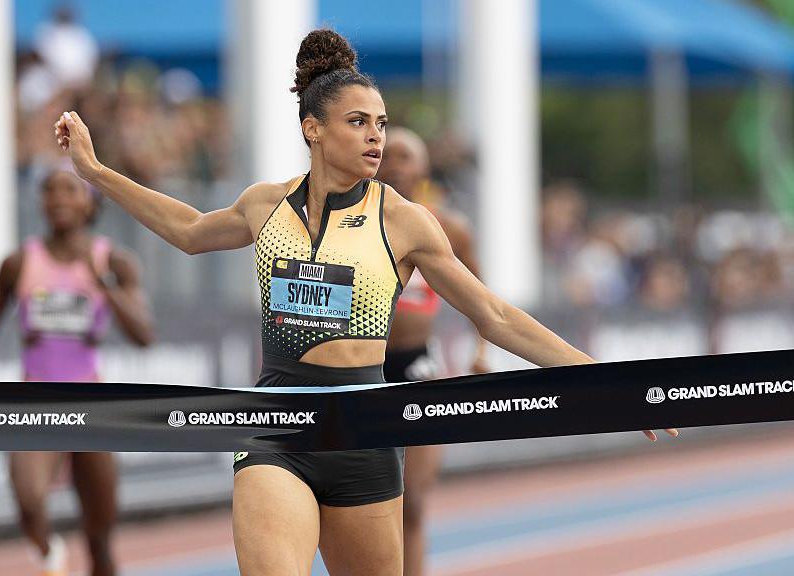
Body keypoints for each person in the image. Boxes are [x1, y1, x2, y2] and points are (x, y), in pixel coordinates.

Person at [55, 28, 678, 576]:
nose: (375, 136)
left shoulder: (405, 222)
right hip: (277, 423)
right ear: (313, 129)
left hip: (365, 433)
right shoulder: (266, 204)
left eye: (380, 123)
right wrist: (94, 170)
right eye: (358, 122)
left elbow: (495, 316)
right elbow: (189, 232)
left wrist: (606, 383)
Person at [0, 164, 154, 576]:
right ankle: (50, 555)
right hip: (37, 400)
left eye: (69, 189)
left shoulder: (114, 261)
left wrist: (102, 282)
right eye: (49, 190)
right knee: (27, 497)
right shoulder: (18, 263)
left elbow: (144, 334)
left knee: (99, 538)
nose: (58, 198)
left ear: (90, 202)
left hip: (92, 404)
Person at [377, 126, 489, 576]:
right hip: (363, 370)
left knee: (414, 503)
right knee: (361, 505)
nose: (395, 164)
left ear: (423, 168)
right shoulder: (354, 223)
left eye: (406, 155)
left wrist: (480, 350)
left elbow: (482, 298)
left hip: (418, 365)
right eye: (388, 155)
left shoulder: (450, 230)